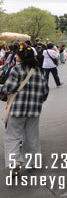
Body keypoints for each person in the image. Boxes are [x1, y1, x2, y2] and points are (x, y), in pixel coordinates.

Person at [0, 44, 49, 176]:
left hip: (17, 110)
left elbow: (8, 88)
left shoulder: (16, 70)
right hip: (34, 111)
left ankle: (15, 162)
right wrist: (37, 102)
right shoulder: (38, 70)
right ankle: (32, 161)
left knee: (13, 136)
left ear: (21, 57)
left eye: (16, 54)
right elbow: (45, 91)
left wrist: (1, 91)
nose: (15, 56)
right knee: (32, 136)